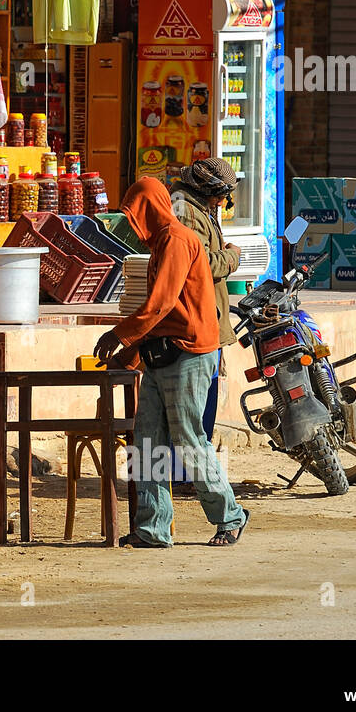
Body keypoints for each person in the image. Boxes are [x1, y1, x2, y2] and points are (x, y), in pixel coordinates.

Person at [95, 176, 250, 547]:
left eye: (136, 216)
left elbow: (160, 305)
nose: (133, 225)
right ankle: (152, 528)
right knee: (146, 442)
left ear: (149, 211)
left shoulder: (177, 240)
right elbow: (160, 315)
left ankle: (230, 516)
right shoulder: (162, 243)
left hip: (190, 353)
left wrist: (119, 334)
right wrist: (129, 354)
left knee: (188, 439)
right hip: (161, 353)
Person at [169, 157, 241, 473]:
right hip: (194, 325)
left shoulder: (202, 211)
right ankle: (186, 473)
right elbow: (202, 265)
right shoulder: (187, 214)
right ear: (208, 190)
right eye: (222, 194)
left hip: (209, 321)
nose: (224, 201)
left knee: (205, 404)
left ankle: (191, 473)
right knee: (194, 409)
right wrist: (232, 257)